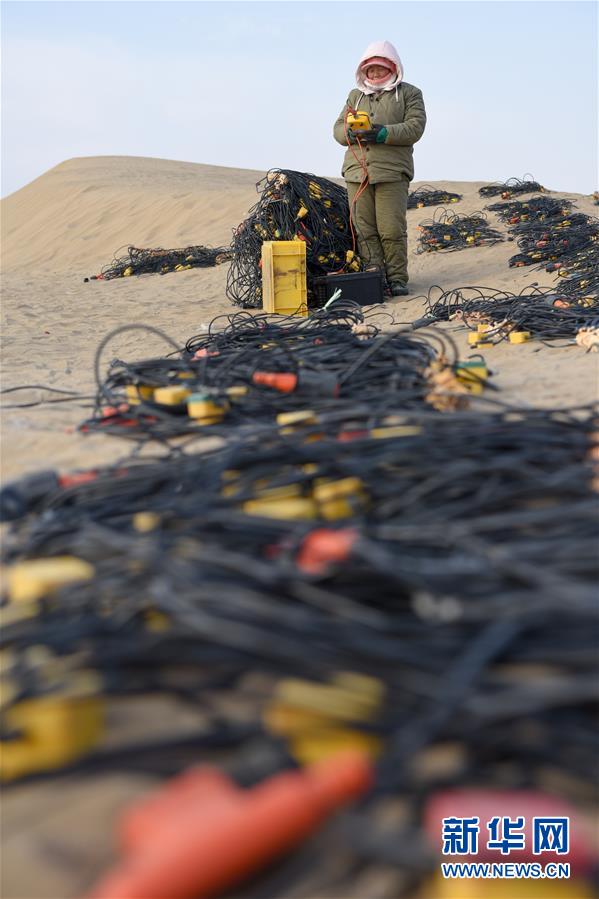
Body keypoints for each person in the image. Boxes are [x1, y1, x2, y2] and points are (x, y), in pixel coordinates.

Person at [333, 40, 427, 297]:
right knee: (364, 229)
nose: (374, 73)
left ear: (393, 67)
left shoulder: (409, 94)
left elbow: (415, 127)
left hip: (392, 173)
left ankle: (397, 279)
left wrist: (383, 133)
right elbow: (338, 128)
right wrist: (350, 132)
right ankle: (375, 277)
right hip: (357, 173)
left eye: (380, 68)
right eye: (370, 69)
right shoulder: (355, 96)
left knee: (391, 230)